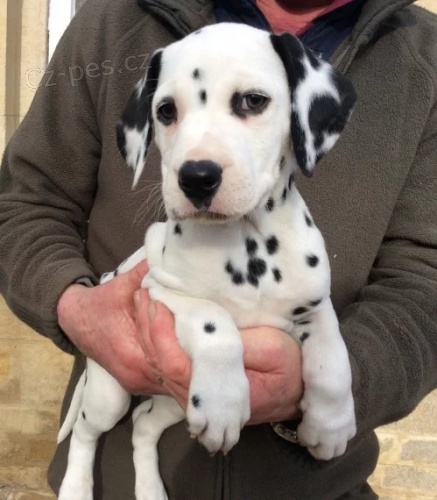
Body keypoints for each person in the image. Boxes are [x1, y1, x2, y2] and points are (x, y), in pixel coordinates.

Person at [1, 0, 436, 498]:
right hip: (111, 484)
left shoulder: (423, 55)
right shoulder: (112, 23)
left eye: (252, 101)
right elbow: (23, 204)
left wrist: (336, 382)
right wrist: (75, 306)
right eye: (168, 112)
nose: (198, 161)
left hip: (321, 488)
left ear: (310, 115)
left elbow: (425, 279)